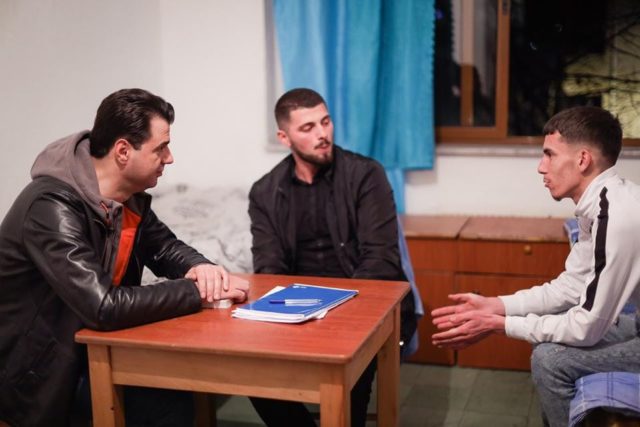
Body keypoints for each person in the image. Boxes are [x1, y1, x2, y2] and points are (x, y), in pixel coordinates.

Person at [0, 88, 249, 426]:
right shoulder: (50, 207)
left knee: (177, 387)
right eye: (160, 148)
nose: (170, 158)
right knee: (166, 405)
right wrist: (196, 292)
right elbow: (103, 306)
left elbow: (165, 248)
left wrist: (201, 268)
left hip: (95, 349)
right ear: (122, 151)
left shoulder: (128, 198)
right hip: (42, 376)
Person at [431, 106, 640, 427]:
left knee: (549, 359)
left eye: (549, 155)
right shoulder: (602, 205)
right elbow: (570, 288)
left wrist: (498, 325)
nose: (541, 167)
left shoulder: (617, 215)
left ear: (583, 160)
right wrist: (497, 306)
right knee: (551, 327)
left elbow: (585, 328)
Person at [248, 87, 416, 427]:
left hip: (363, 305)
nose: (322, 134)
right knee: (253, 372)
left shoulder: (365, 175)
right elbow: (269, 270)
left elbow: (380, 260)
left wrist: (335, 313)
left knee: (349, 384)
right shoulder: (265, 191)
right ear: (284, 137)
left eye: (325, 122)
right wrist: (297, 314)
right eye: (308, 127)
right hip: (298, 310)